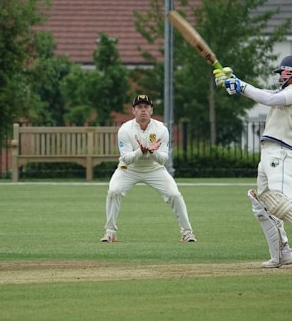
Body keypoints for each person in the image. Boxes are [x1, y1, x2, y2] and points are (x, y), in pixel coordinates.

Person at [214, 56, 292, 268]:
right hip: (269, 151)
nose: (279, 77)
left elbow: (269, 100)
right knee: (262, 205)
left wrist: (241, 86)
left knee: (280, 200)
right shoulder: (282, 93)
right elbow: (266, 95)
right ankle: (282, 252)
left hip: (283, 152)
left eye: (283, 72)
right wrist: (237, 82)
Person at [100, 94, 197, 243]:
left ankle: (187, 233)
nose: (143, 110)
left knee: (175, 195)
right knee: (114, 191)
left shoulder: (161, 129)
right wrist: (142, 151)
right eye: (139, 107)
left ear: (151, 110)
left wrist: (152, 152)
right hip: (128, 169)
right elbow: (126, 158)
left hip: (154, 169)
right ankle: (110, 233)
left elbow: (164, 159)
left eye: (146, 107)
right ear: (133, 111)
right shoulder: (125, 129)